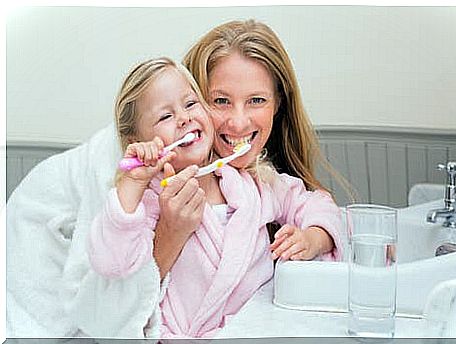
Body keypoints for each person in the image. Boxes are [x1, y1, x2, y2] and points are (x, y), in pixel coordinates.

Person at [87, 55, 342, 338]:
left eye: (190, 103)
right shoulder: (149, 200)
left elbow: (318, 204)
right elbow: (112, 262)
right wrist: (132, 184)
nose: (184, 118)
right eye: (165, 116)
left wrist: (314, 238)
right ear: (140, 141)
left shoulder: (255, 185)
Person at [154, 19, 347, 278]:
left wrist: (313, 239)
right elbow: (118, 294)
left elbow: (319, 208)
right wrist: (171, 233)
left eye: (256, 100)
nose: (239, 122)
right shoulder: (157, 176)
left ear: (278, 103)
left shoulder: (265, 183)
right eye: (221, 101)